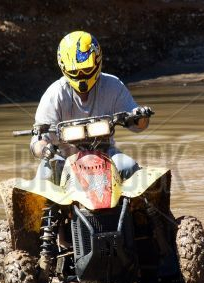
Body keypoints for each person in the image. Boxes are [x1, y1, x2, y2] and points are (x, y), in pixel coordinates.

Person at [30, 30, 151, 181]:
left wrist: (140, 116)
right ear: (64, 68)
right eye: (75, 71)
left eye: (86, 69)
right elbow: (36, 141)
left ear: (97, 62)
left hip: (106, 153)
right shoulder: (54, 95)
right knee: (46, 175)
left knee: (129, 168)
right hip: (63, 157)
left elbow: (138, 126)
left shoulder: (113, 86)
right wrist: (45, 150)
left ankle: (138, 204)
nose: (81, 75)